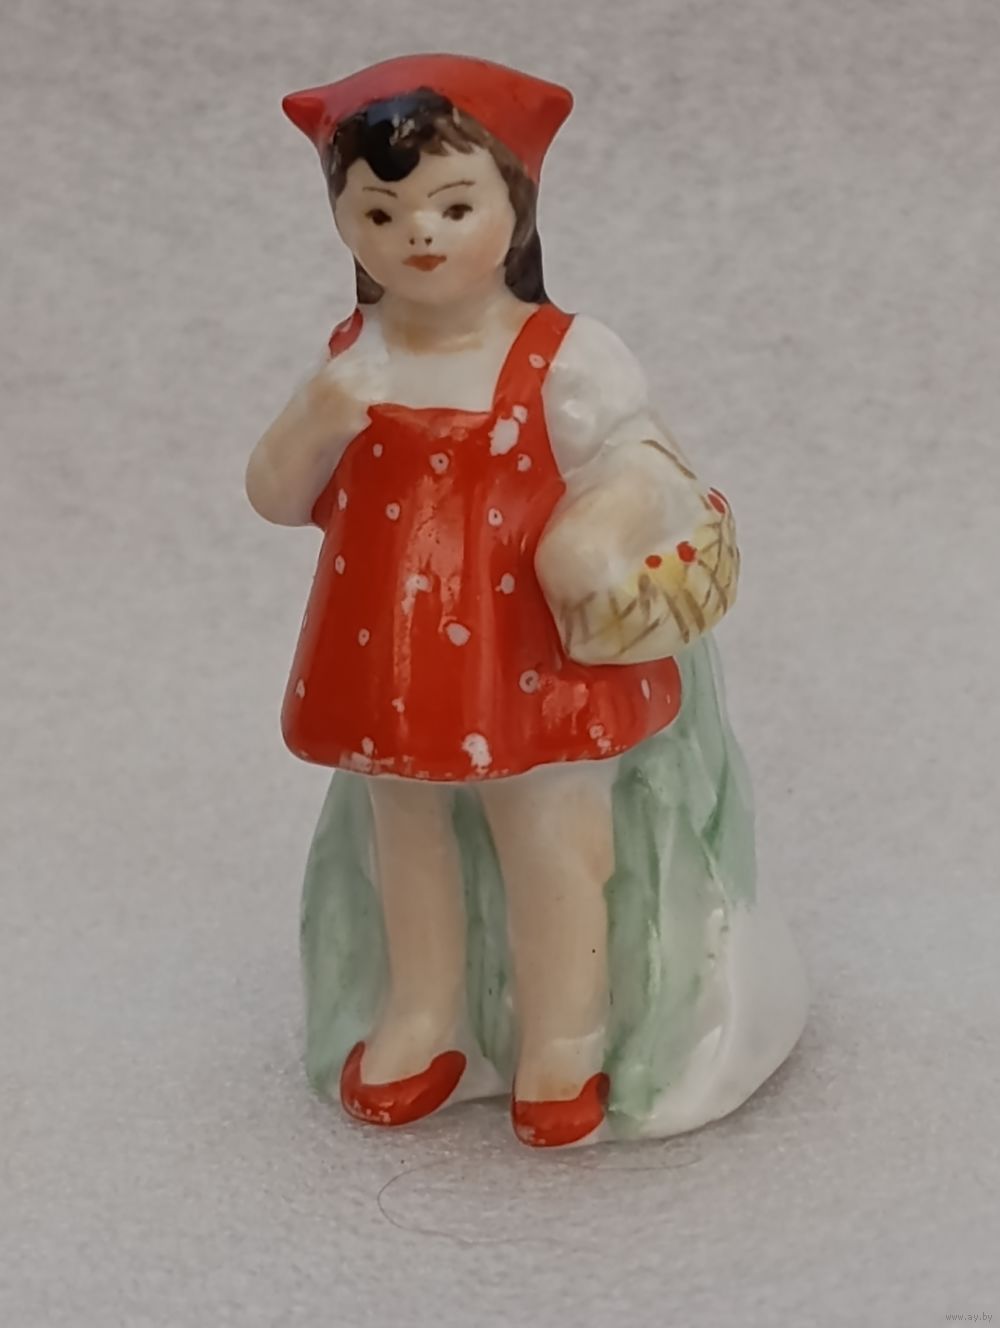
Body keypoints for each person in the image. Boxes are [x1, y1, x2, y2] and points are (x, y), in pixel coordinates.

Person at [246, 53, 807, 1148]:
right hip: (394, 649)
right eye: (380, 212)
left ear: (514, 208)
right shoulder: (354, 359)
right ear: (345, 223)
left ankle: (565, 1033)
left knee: (551, 836)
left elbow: (650, 464)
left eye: (454, 205)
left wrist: (594, 526)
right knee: (406, 827)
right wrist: (315, 416)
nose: (419, 234)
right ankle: (426, 1015)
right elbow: (274, 495)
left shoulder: (568, 357)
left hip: (528, 652)